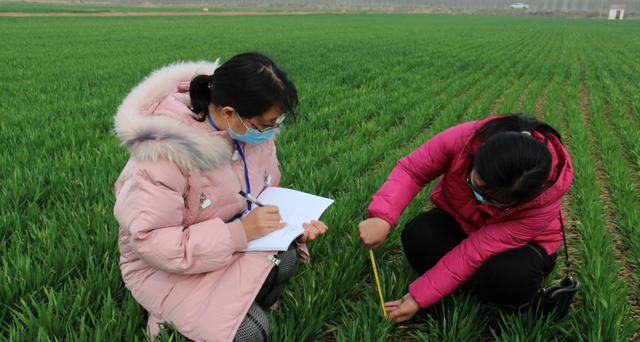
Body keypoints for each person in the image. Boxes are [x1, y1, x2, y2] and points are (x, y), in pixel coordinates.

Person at [112, 52, 328, 341]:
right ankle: (168, 323)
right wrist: (239, 232)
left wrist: (292, 228)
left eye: (277, 121)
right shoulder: (162, 156)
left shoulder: (251, 136)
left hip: (230, 244)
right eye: (265, 123)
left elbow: (266, 195)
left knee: (286, 256)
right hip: (165, 266)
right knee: (252, 333)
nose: (271, 131)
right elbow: (153, 243)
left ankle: (233, 304)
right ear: (228, 113)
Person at [358, 113, 573, 322]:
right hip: (463, 220)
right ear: (477, 156)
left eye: (496, 200)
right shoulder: (465, 139)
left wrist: (418, 297)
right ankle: (459, 284)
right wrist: (381, 216)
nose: (481, 197)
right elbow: (413, 170)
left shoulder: (542, 203)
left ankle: (502, 294)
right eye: (476, 184)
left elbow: (474, 251)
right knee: (421, 234)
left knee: (509, 277)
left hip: (521, 246)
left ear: (522, 198)